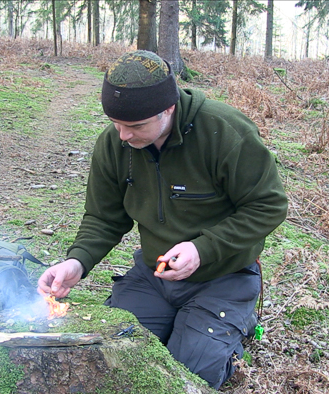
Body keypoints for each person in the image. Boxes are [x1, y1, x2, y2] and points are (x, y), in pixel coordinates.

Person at [38, 50, 288, 389]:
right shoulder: (114, 145)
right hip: (154, 275)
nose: (123, 135)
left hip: (223, 277)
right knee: (112, 357)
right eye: (116, 123)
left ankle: (228, 331)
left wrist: (204, 249)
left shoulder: (224, 132)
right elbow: (104, 217)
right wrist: (77, 262)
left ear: (167, 109)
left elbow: (268, 205)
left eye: (135, 126)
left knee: (187, 375)